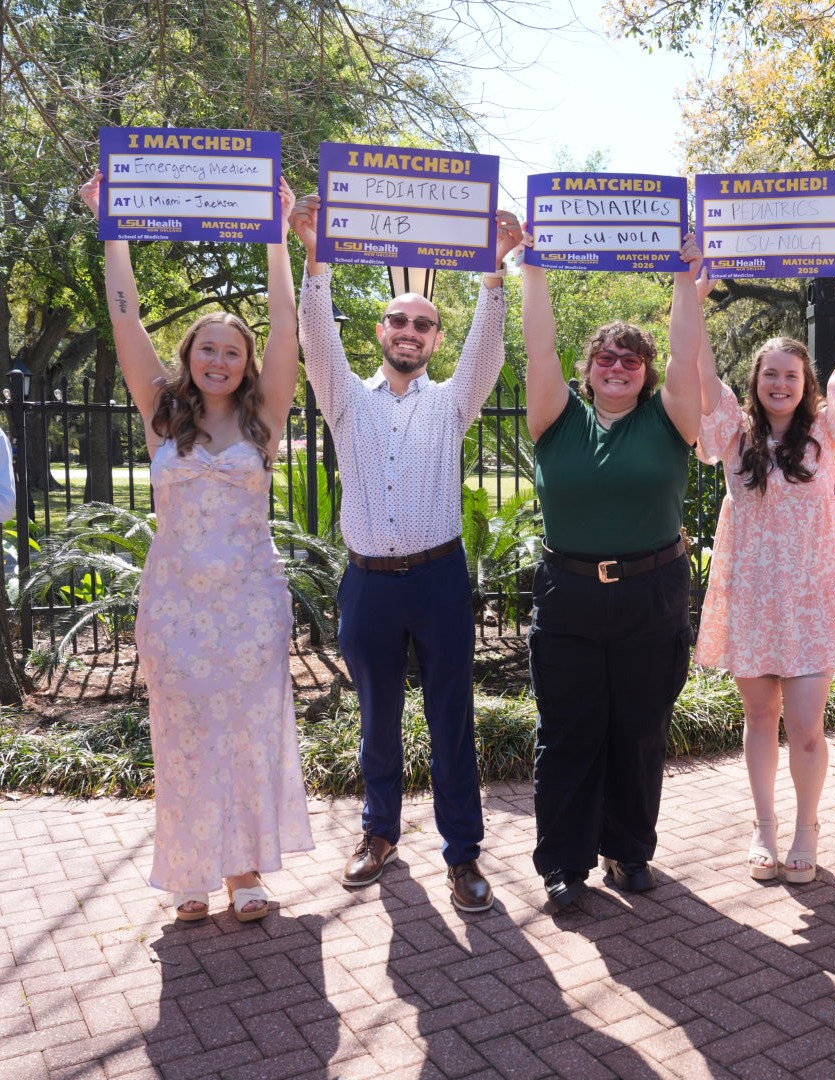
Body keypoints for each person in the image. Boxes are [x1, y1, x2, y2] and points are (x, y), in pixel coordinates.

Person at [80, 170, 312, 923]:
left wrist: (276, 235)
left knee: (246, 731)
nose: (220, 360)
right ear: (189, 356)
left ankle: (245, 872)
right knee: (181, 735)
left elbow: (285, 327)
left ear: (246, 366)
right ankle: (189, 873)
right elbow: (124, 320)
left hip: (249, 603)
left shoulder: (263, 420)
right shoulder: (162, 414)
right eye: (207, 349)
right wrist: (112, 225)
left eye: (232, 353)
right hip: (176, 603)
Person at [289, 194, 521, 913]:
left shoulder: (453, 402)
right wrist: (315, 255)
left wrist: (492, 275)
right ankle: (378, 835)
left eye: (424, 323)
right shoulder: (342, 399)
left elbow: (489, 347)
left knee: (451, 718)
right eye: (399, 320)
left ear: (436, 338)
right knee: (376, 719)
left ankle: (463, 855)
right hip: (368, 586)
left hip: (440, 580)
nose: (410, 330)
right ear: (380, 331)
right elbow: (312, 334)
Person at [519, 229, 702, 912]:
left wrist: (686, 277)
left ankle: (627, 850)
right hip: (566, 594)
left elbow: (687, 353)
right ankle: (563, 863)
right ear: (587, 365)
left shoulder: (668, 418)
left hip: (651, 594)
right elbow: (538, 348)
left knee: (639, 730)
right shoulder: (556, 417)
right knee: (567, 733)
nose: (617, 365)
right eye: (605, 357)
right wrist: (532, 271)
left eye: (630, 359)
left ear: (645, 372)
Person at [693, 260, 835, 885]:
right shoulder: (732, 435)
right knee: (760, 721)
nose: (780, 383)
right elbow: (699, 370)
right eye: (770, 374)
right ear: (756, 382)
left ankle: (806, 828)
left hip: (810, 602)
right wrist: (694, 300)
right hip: (751, 599)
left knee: (804, 729)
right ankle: (763, 829)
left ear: (805, 383)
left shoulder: (828, 431)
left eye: (791, 375)